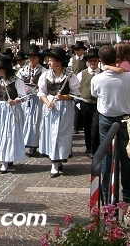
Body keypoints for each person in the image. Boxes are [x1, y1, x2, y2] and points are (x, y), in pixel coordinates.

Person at [91, 44, 130, 202]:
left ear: (101, 61)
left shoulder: (97, 78)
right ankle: (126, 193)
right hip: (124, 117)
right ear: (116, 59)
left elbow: (95, 94)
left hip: (106, 117)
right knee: (126, 156)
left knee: (106, 156)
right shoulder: (129, 76)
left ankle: (106, 194)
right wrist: (127, 102)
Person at [38, 47, 80, 178]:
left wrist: (64, 97)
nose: (49, 63)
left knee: (61, 134)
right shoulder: (45, 75)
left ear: (59, 62)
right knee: (51, 133)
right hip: (51, 108)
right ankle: (54, 161)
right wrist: (46, 102)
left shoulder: (70, 76)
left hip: (64, 108)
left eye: (51, 60)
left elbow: (76, 95)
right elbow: (41, 92)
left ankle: (58, 160)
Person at [0, 55, 27, 174]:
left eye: (0, 68)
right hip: (1, 109)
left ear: (6, 69)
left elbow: (24, 97)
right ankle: (6, 158)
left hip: (12, 110)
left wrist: (15, 101)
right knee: (2, 134)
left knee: (9, 134)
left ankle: (5, 161)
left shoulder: (17, 81)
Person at [17, 44, 45, 157]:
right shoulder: (23, 70)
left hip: (37, 99)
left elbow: (45, 85)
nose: (31, 59)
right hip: (25, 99)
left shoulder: (43, 71)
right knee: (25, 120)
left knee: (35, 121)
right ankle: (24, 143)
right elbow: (17, 82)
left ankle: (33, 145)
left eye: (34, 57)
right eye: (30, 57)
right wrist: (23, 89)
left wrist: (36, 87)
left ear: (38, 58)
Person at [76, 48, 101, 156]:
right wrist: (77, 101)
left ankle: (94, 149)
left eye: (95, 60)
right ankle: (88, 146)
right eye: (90, 61)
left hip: (97, 103)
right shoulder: (82, 74)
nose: (92, 63)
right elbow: (76, 87)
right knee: (87, 125)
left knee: (95, 126)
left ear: (98, 61)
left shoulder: (102, 73)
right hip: (85, 102)